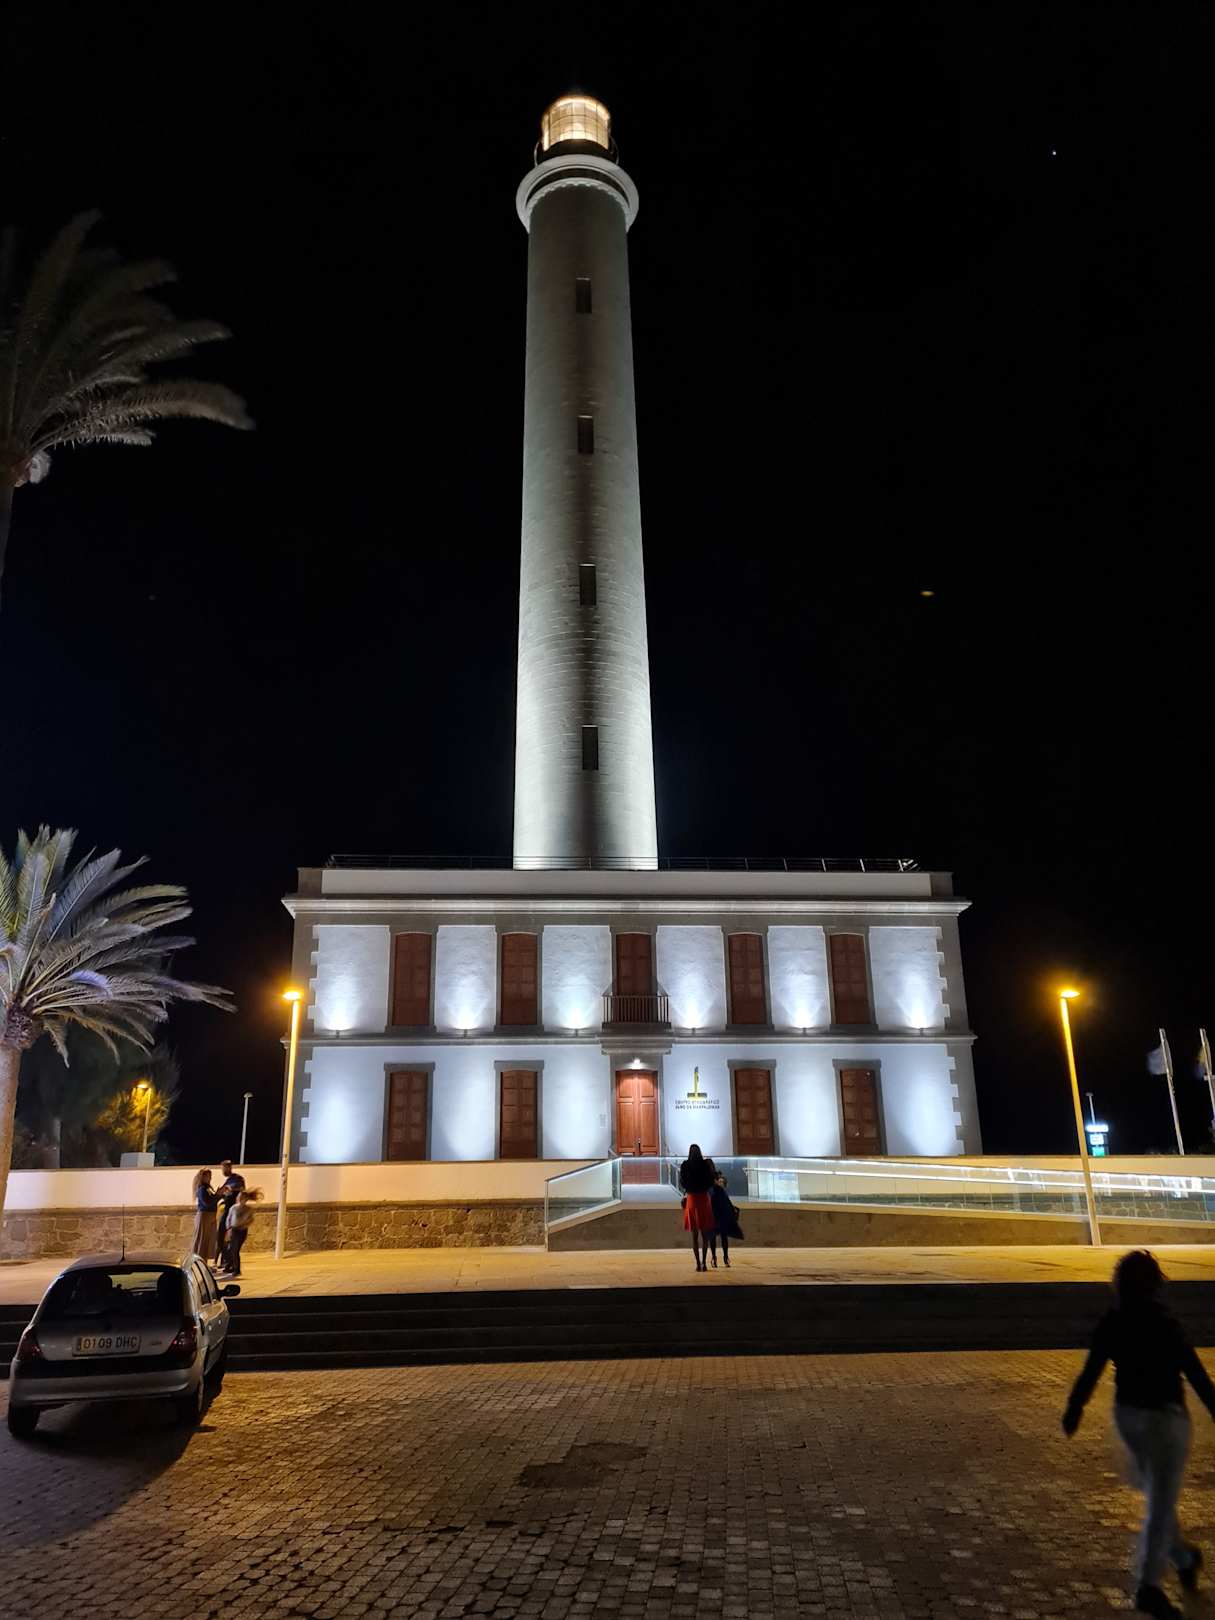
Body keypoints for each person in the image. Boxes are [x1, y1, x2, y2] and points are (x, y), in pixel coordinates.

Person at [1063, 1249, 1215, 1619]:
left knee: (1159, 1495)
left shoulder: (1113, 1321)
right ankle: (1149, 1586)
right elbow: (1195, 1373)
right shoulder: (1166, 1323)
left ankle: (1183, 1557)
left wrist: (1075, 1408)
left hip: (1129, 1418)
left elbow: (1093, 1367)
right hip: (1167, 1420)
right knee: (1160, 1499)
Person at [678, 1144, 716, 1272]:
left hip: (692, 1199)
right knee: (705, 1235)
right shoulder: (705, 1165)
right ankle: (704, 1263)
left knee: (694, 1236)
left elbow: (682, 1182)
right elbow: (711, 1180)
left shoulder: (685, 1165)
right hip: (704, 1199)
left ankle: (698, 1264)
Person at [707, 1170, 743, 1269]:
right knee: (719, 1237)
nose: (720, 1183)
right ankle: (721, 1258)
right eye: (719, 1180)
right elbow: (726, 1203)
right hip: (718, 1216)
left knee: (718, 1237)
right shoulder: (715, 1190)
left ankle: (719, 1258)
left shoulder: (714, 1190)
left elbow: (727, 1203)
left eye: (721, 1181)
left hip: (717, 1216)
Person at [218, 1189, 258, 1278]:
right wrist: (228, 1229)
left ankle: (236, 1269)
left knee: (235, 1249)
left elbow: (251, 1220)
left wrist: (245, 1224)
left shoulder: (248, 1209)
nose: (240, 1199)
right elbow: (228, 1218)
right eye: (239, 1197)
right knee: (231, 1249)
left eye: (242, 1197)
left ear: (246, 1199)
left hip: (242, 1231)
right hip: (234, 1230)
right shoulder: (234, 1208)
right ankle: (231, 1266)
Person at [190, 1168, 218, 1263]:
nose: (210, 1178)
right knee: (201, 1240)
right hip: (204, 1215)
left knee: (207, 1240)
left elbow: (213, 1200)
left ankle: (204, 1262)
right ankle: (198, 1262)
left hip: (211, 1215)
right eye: (208, 1176)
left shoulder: (208, 1188)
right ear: (203, 1177)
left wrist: (220, 1195)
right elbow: (207, 1203)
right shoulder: (202, 1189)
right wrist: (217, 1195)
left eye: (210, 1176)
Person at [215, 1160, 246, 1239]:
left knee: (226, 1231)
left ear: (229, 1168)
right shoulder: (229, 1180)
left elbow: (242, 1190)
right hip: (228, 1207)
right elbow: (222, 1193)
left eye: (223, 1169)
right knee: (222, 1230)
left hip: (234, 1209)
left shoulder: (237, 1179)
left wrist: (230, 1189)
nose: (222, 1171)